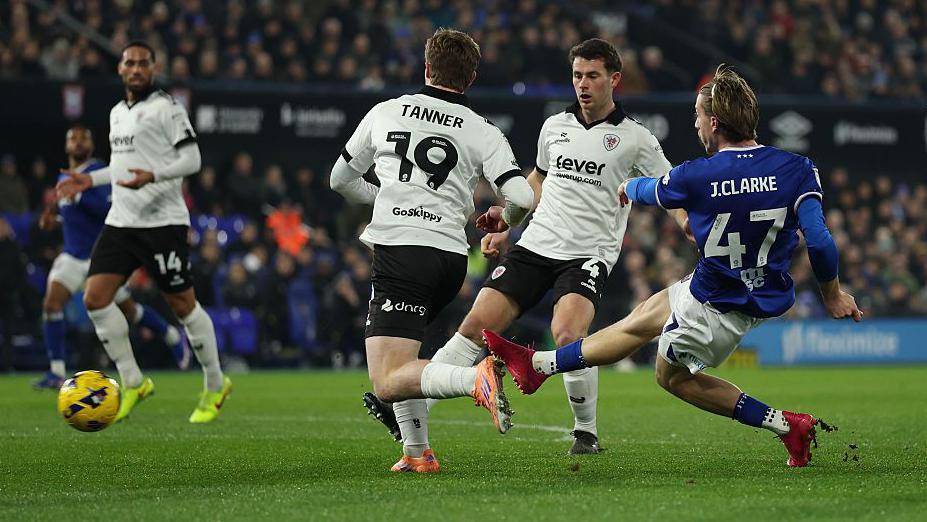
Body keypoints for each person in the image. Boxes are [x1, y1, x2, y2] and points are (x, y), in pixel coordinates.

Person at [485, 66, 863, 467]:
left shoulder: (696, 174)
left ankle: (788, 426)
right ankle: (538, 366)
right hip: (755, 290)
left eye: (698, 116)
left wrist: (626, 186)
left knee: (671, 378)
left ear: (714, 122)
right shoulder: (797, 168)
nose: (696, 124)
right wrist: (832, 294)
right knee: (642, 319)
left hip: (715, 305)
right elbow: (819, 241)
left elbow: (651, 188)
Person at [365, 38, 682, 454]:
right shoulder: (555, 127)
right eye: (577, 76)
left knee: (567, 331)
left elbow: (670, 187)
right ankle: (416, 399)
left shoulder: (635, 138)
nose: (583, 84)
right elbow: (537, 180)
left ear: (614, 79)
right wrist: (506, 223)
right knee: (477, 326)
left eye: (592, 76)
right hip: (535, 246)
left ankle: (585, 431)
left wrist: (687, 223)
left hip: (587, 253)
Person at [329, 28, 534, 473]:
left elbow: (339, 181)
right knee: (408, 355)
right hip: (450, 258)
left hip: (403, 252)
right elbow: (523, 195)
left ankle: (473, 378)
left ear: (426, 67)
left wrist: (385, 196)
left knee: (386, 379)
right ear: (471, 77)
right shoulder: (482, 130)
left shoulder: (387, 111)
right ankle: (417, 452)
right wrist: (505, 218)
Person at [56, 42, 231, 423]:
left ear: (154, 68)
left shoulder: (166, 108)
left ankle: (215, 383)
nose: (136, 69)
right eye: (129, 63)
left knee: (183, 306)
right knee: (95, 298)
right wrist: (89, 179)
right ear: (120, 69)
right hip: (122, 222)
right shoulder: (118, 112)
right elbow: (122, 167)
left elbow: (192, 159)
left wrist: (154, 175)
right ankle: (133, 381)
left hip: (162, 223)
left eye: (143, 63)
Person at [33, 125, 191, 390]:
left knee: (129, 310)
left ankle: (171, 334)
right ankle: (57, 372)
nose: (78, 142)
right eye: (73, 138)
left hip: (101, 258)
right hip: (73, 256)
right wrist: (55, 220)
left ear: (92, 145)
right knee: (51, 304)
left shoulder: (98, 173)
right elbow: (76, 219)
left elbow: (111, 209)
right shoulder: (64, 178)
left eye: (84, 138)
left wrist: (82, 195)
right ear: (66, 145)